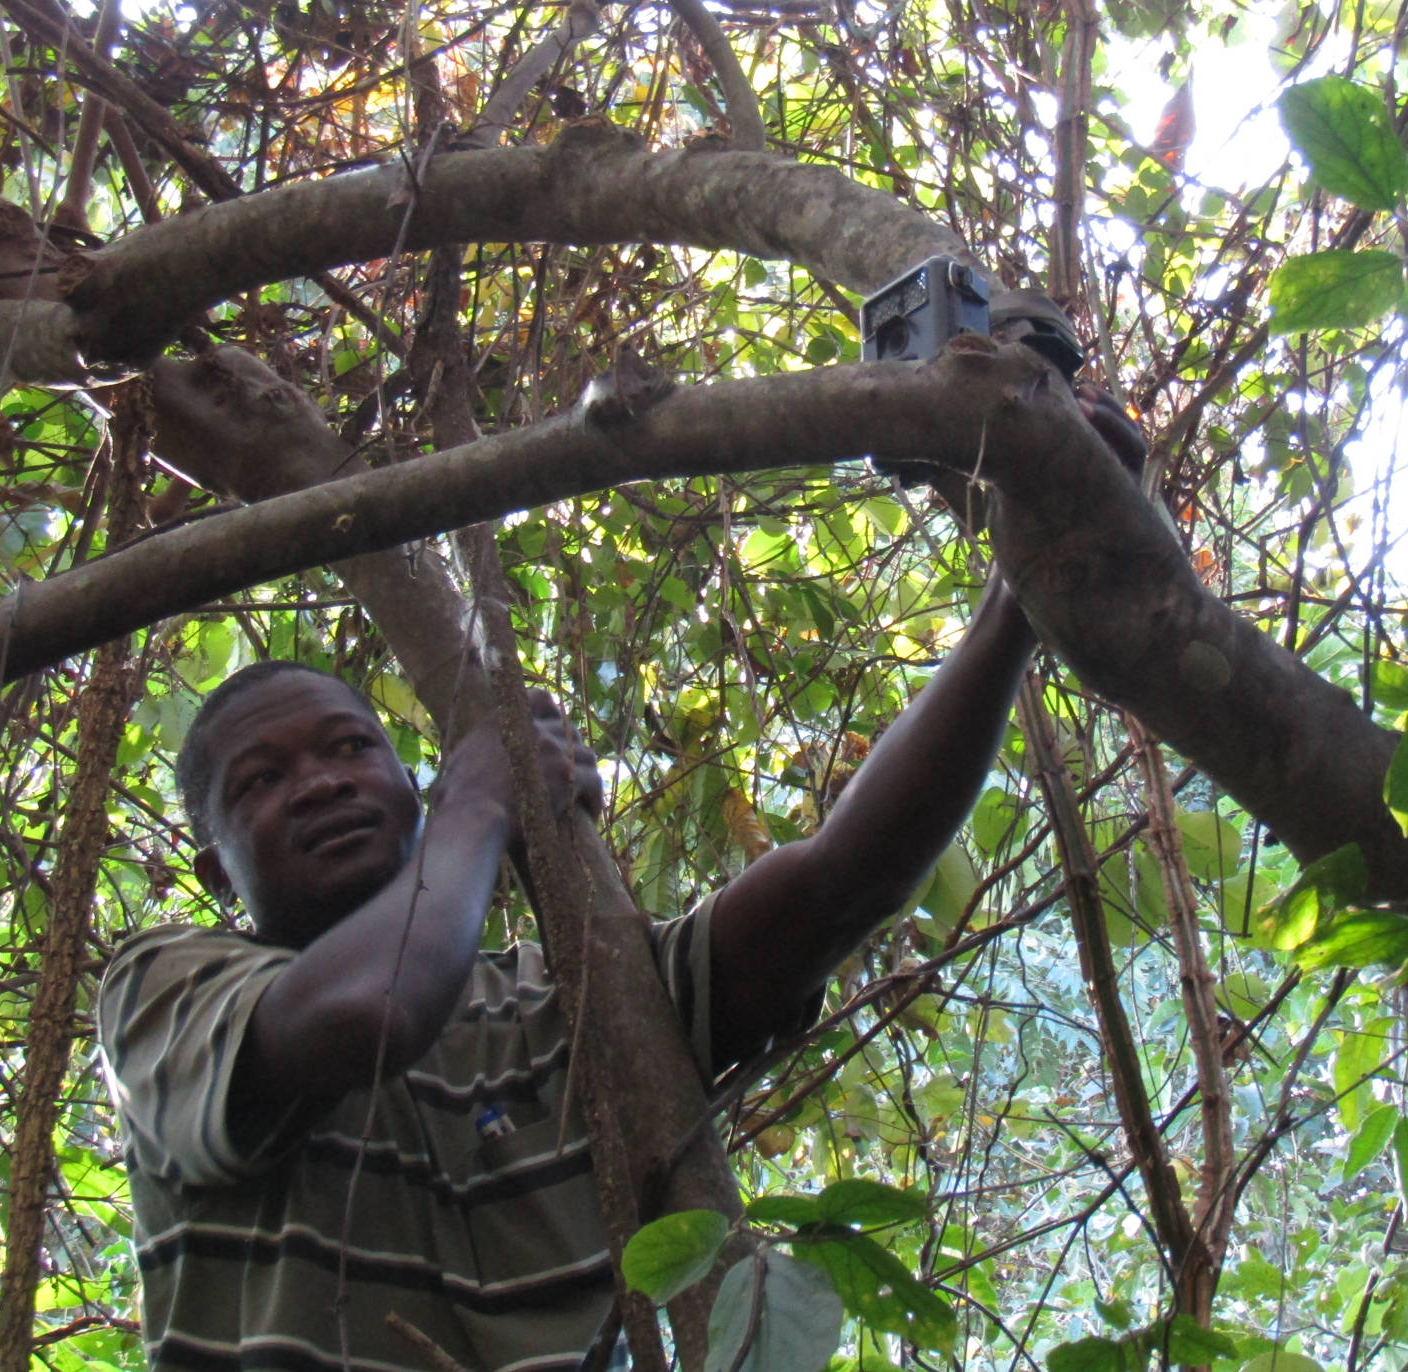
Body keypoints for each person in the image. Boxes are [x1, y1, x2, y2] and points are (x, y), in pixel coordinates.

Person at [96, 388, 1146, 1372]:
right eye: (263, 779)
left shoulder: (564, 1001)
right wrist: (482, 803)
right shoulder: (167, 988)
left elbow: (836, 887)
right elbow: (367, 1011)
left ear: (404, 786)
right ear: (213, 873)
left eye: (349, 750)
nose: (321, 783)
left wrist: (1019, 596)